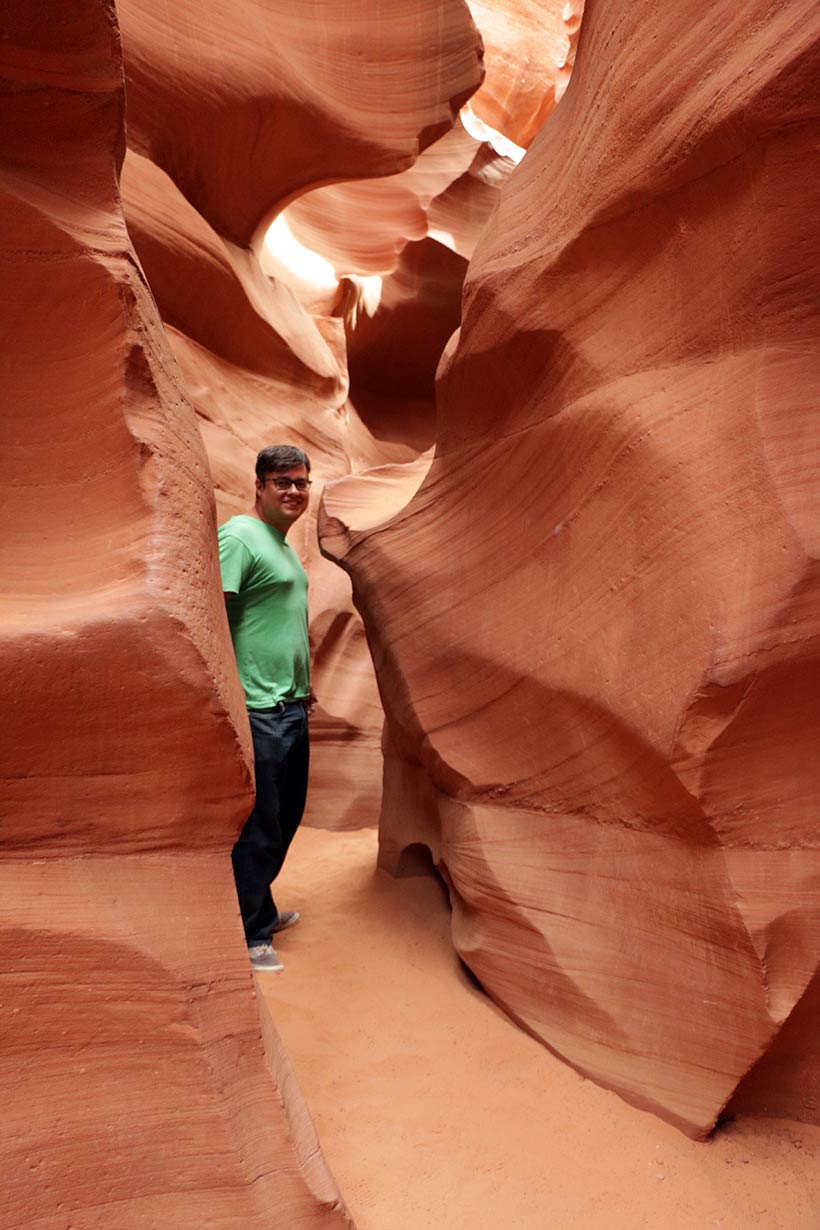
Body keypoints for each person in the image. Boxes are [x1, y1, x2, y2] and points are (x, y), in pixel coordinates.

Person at [218, 444, 313, 972]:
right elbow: (211, 605)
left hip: (291, 704)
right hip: (257, 706)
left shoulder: (280, 544)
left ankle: (259, 905)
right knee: (261, 822)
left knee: (288, 815)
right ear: (258, 485)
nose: (294, 490)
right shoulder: (240, 536)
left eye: (301, 482)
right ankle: (250, 931)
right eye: (283, 481)